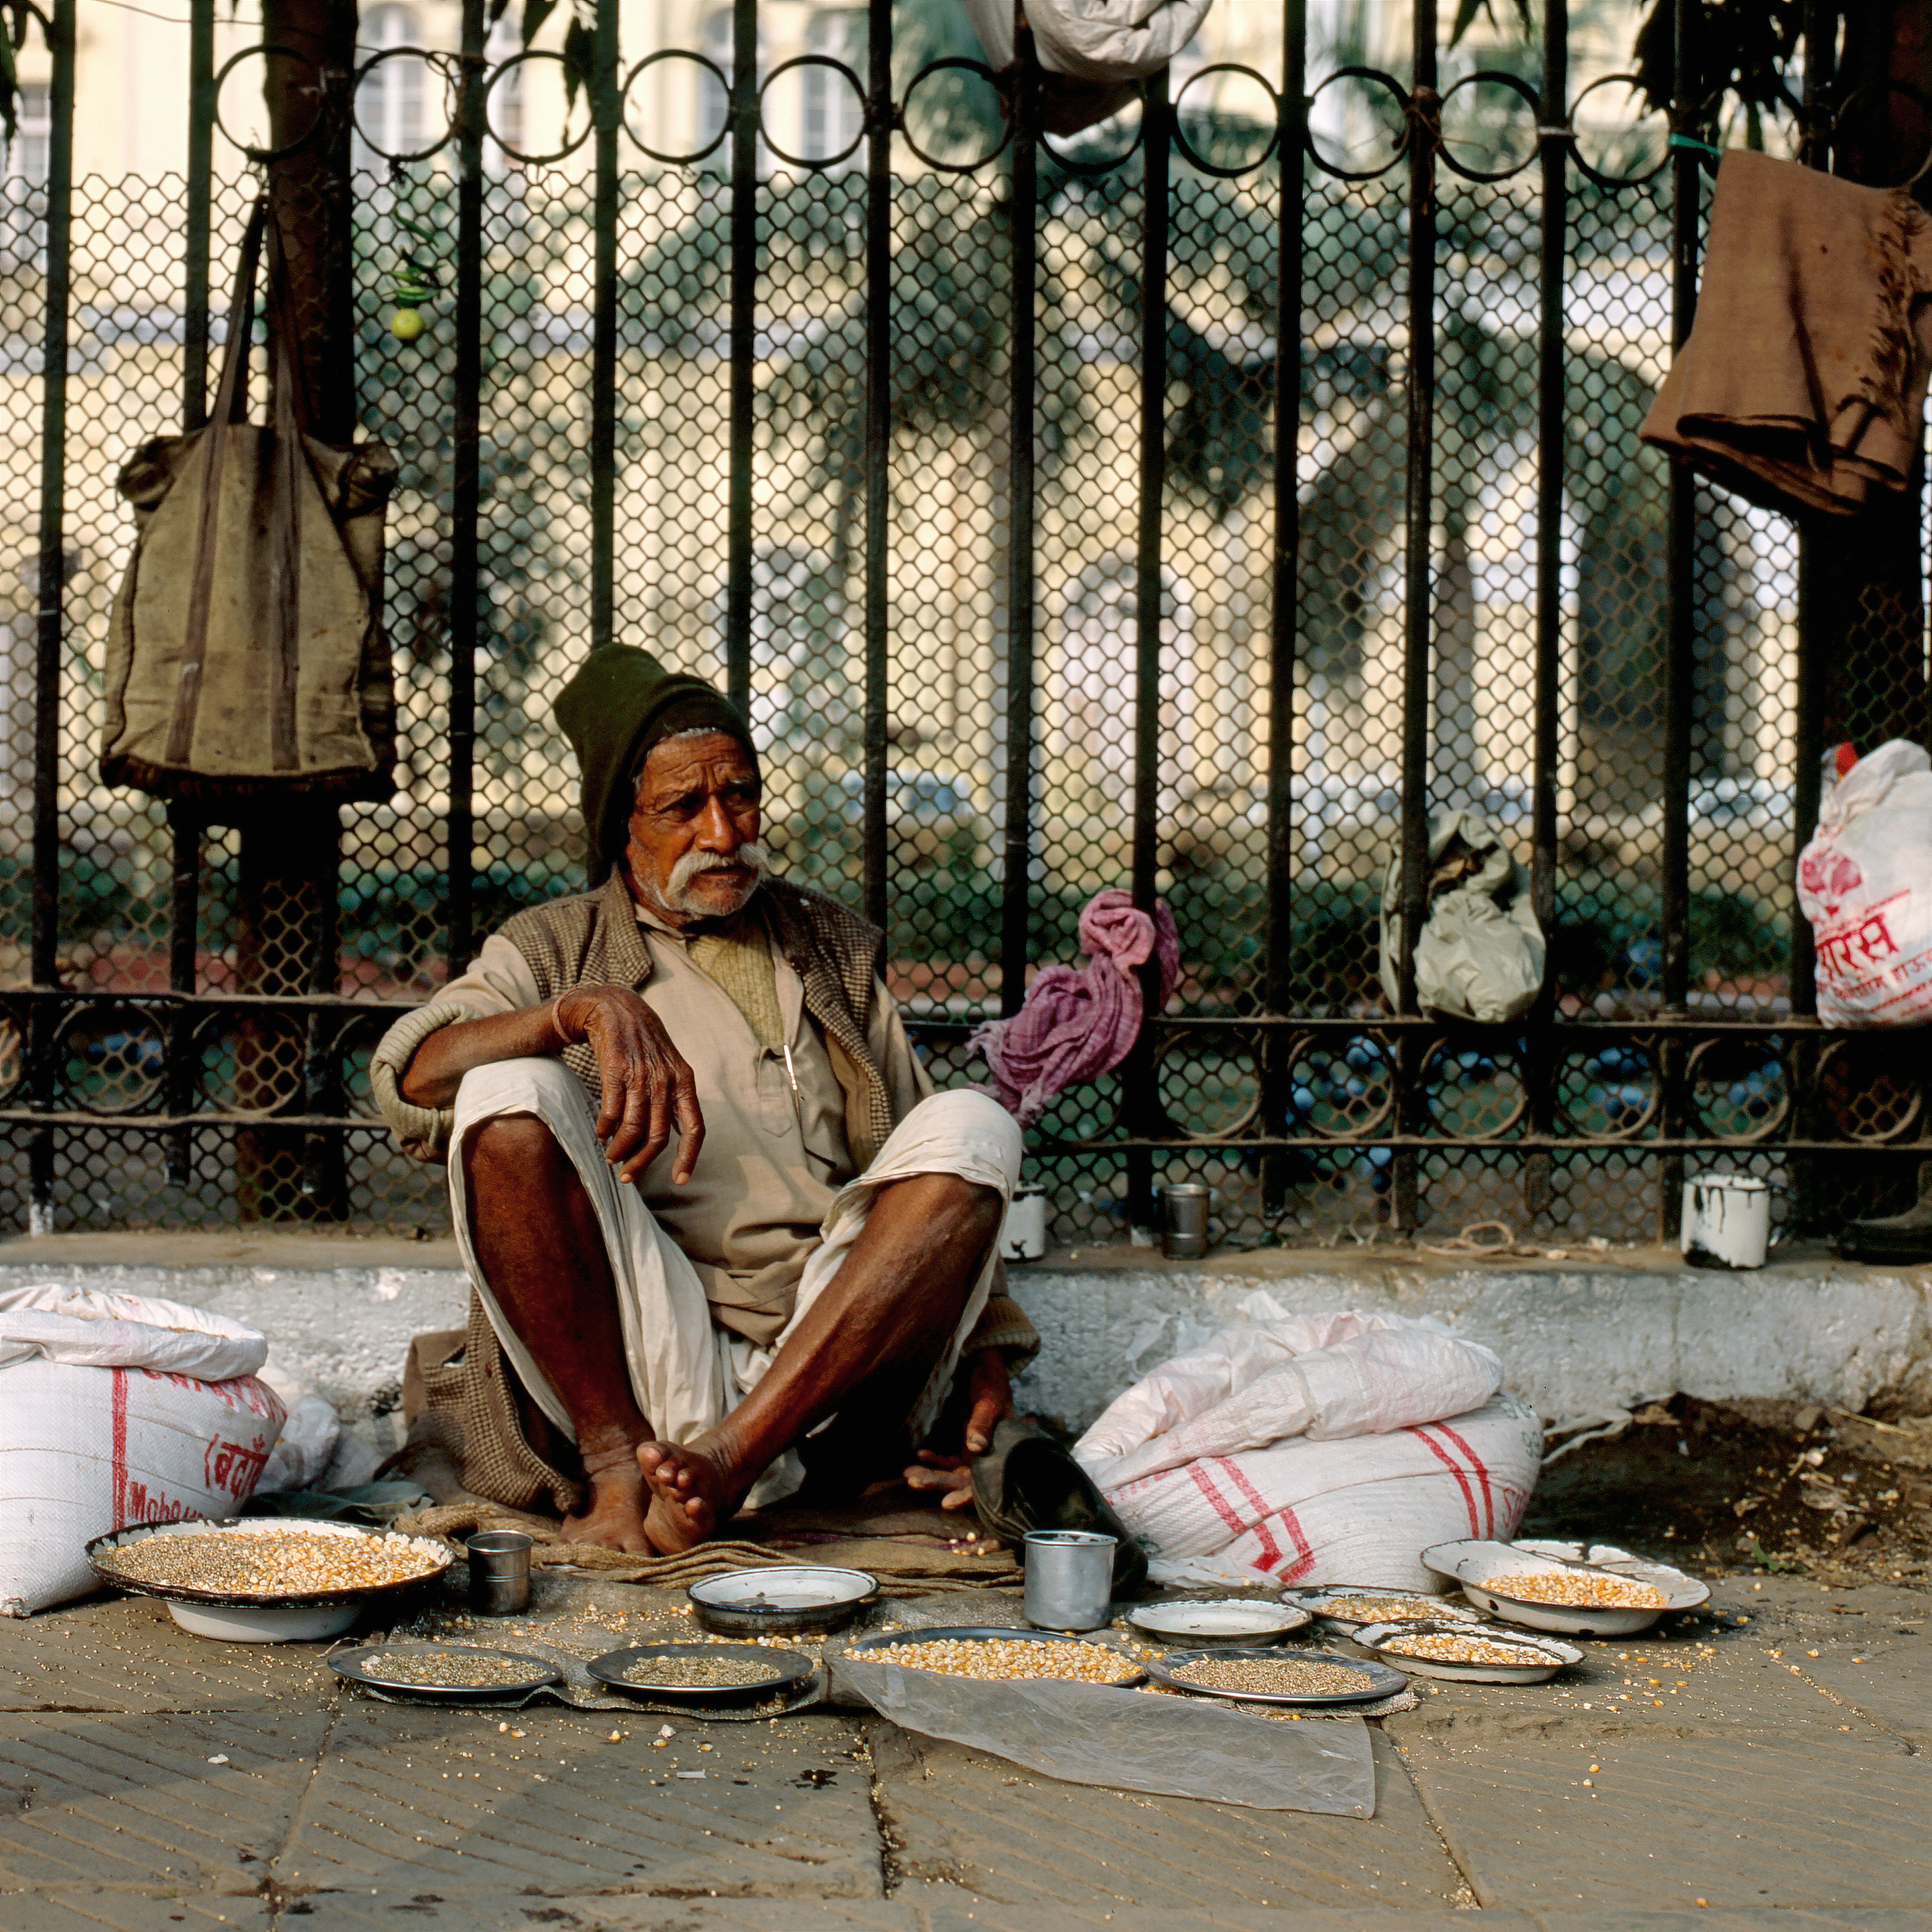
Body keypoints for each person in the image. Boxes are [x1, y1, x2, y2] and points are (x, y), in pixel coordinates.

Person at [370, 647, 1037, 1555]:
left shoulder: (827, 942)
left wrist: (986, 1358)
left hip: (832, 1360)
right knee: (507, 1087)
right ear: (623, 826)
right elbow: (411, 1079)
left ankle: (728, 1463)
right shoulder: (556, 944)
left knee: (975, 1121)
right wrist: (575, 1011)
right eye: (683, 808)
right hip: (653, 1358)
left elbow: (929, 1168)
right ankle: (618, 1470)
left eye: (740, 796)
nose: (724, 833)